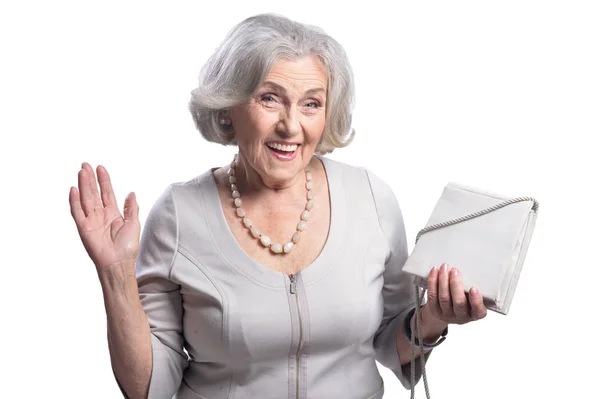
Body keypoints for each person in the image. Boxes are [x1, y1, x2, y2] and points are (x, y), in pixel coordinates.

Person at [69, 13, 488, 399]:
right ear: (228, 107)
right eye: (270, 98)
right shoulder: (179, 215)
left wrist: (433, 318)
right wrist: (115, 274)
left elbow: (389, 339)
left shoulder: (371, 198)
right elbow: (150, 388)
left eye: (311, 103)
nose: (291, 125)